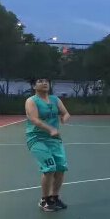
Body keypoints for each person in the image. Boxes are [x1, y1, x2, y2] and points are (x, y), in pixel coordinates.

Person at [25, 77, 71, 211]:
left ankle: (54, 197)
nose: (45, 83)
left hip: (54, 140)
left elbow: (66, 113)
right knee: (50, 167)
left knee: (61, 168)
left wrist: (64, 118)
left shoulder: (55, 99)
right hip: (37, 138)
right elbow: (34, 119)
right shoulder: (31, 101)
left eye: (46, 81)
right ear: (34, 86)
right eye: (40, 81)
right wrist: (51, 129)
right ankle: (44, 200)